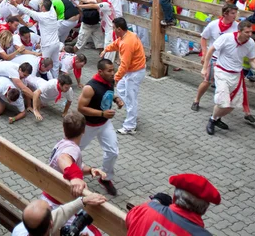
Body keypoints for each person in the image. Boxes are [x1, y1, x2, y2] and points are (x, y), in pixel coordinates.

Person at [201, 21, 255, 135]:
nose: (250, 35)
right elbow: (211, 50)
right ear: (239, 31)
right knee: (223, 101)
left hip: (236, 75)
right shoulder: (226, 38)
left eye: (251, 32)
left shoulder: (250, 43)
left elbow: (251, 60)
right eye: (247, 32)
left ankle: (216, 118)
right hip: (222, 72)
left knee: (233, 105)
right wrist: (205, 67)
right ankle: (212, 120)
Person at [77, 59, 124, 196]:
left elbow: (107, 93)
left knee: (113, 152)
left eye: (113, 70)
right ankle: (71, 173)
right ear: (100, 72)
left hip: (104, 124)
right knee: (74, 150)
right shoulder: (90, 87)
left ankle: (105, 178)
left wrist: (116, 99)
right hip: (88, 126)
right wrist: (102, 113)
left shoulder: (110, 81)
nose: (112, 73)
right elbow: (81, 108)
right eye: (109, 71)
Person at [126, 173, 221, 236]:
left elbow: (129, 219)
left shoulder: (146, 210)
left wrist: (155, 202)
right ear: (204, 209)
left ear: (175, 197)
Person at [101, 18, 146, 135]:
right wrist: (106, 49)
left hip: (134, 72)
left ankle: (130, 126)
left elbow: (124, 65)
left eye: (114, 28)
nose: (113, 30)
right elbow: (117, 44)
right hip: (131, 71)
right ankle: (132, 114)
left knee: (131, 98)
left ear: (119, 29)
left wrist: (115, 78)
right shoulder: (126, 36)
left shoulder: (127, 42)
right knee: (121, 90)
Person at [191, 4, 239, 112]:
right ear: (225, 14)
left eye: (235, 13)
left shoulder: (237, 27)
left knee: (226, 84)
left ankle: (221, 107)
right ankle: (196, 100)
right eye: (232, 13)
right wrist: (204, 53)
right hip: (214, 58)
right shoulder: (213, 25)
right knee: (207, 81)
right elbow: (204, 37)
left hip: (227, 60)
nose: (235, 16)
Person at [11, 0, 61, 77]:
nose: (39, 5)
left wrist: (16, 5)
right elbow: (49, 2)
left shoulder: (42, 16)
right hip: (56, 43)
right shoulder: (53, 13)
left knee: (44, 65)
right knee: (55, 63)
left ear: (43, 7)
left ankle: (49, 82)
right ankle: (56, 79)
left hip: (47, 45)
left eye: (41, 4)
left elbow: (28, 11)